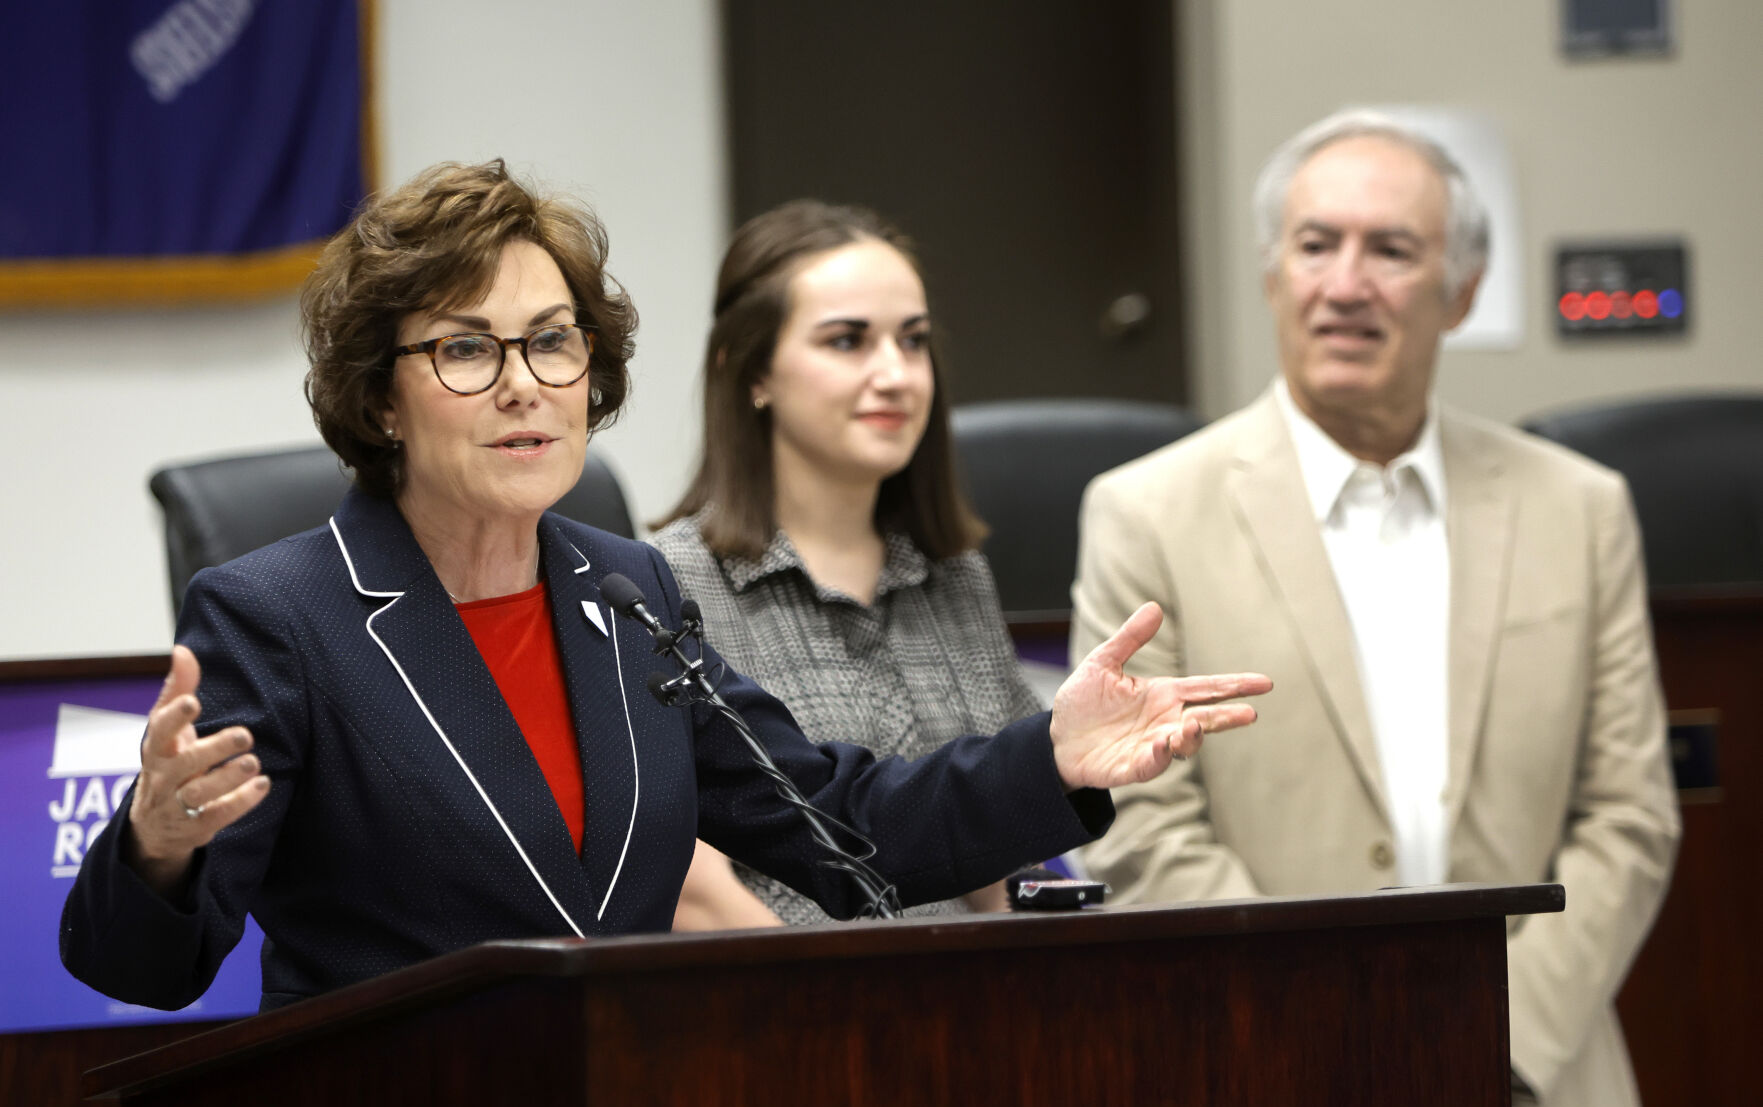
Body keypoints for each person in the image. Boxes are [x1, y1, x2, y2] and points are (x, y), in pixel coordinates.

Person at [60, 160, 1272, 1013]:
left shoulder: (623, 588)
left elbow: (842, 828)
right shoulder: (281, 615)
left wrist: (1048, 757)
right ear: (382, 396)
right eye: (467, 349)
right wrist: (159, 845)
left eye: (553, 339)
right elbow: (143, 966)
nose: (525, 383)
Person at [1069, 110, 1679, 1107]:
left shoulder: (1580, 508)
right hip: (1267, 1085)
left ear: (1462, 291)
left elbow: (1627, 813)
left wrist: (1500, 1035)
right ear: (1271, 274)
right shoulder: (1145, 512)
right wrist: (1333, 1030)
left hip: (1540, 1095)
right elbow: (1140, 825)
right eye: (1314, 244)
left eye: (1391, 249)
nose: (1344, 283)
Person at [652, 200, 1037, 929]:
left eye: (913, 340)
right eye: (847, 341)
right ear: (751, 373)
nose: (896, 374)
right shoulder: (670, 587)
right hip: (793, 1014)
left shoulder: (955, 575)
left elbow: (996, 858)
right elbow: (694, 890)